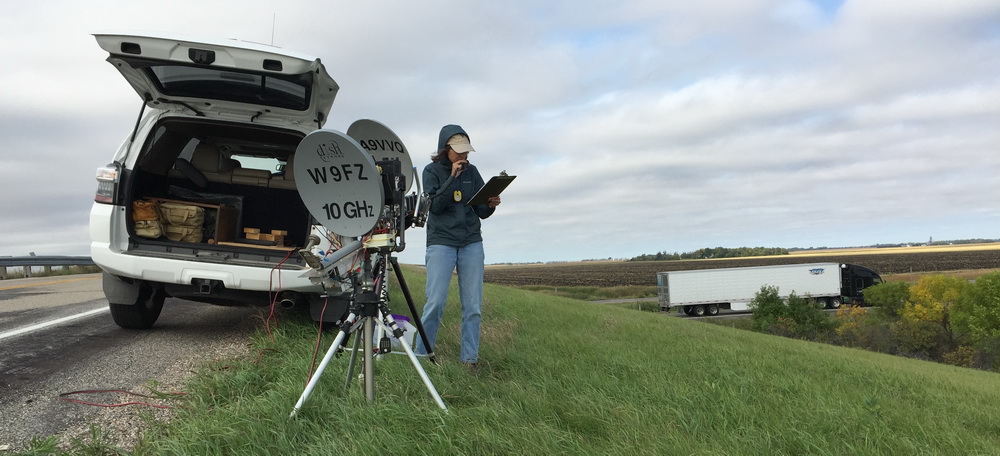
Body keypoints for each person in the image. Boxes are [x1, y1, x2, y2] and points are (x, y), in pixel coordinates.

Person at [414, 124, 501, 368]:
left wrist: (491, 204)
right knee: (435, 302)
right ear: (446, 148)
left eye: (466, 151)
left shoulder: (473, 172)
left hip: (471, 242)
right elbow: (436, 206)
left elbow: (480, 211)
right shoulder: (431, 171)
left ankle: (469, 360)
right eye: (459, 151)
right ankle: (422, 355)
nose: (464, 156)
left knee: (473, 306)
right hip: (441, 242)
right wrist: (452, 177)